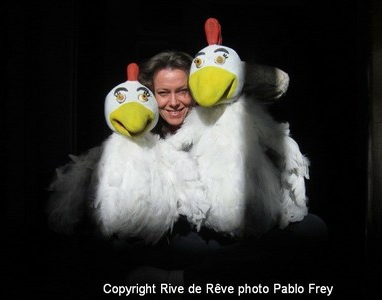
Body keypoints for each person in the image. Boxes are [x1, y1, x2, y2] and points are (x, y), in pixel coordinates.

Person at [121, 50, 329, 287]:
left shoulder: (221, 117)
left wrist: (220, 66)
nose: (174, 102)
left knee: (313, 230)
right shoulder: (143, 133)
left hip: (239, 230)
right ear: (151, 95)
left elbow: (274, 82)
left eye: (183, 90)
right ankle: (233, 269)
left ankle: (186, 280)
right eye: (163, 93)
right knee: (128, 244)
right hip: (188, 235)